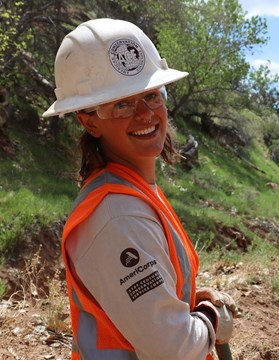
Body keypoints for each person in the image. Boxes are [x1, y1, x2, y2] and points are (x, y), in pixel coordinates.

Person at [43, 18, 239, 359]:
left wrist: (186, 304)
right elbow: (173, 349)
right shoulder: (116, 217)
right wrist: (210, 319)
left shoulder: (134, 193)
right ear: (89, 121)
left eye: (151, 95)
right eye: (121, 103)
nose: (145, 114)